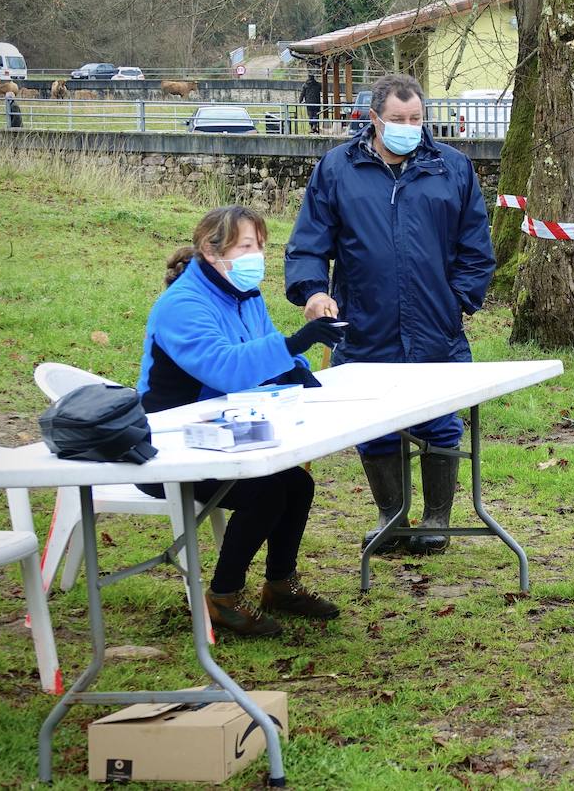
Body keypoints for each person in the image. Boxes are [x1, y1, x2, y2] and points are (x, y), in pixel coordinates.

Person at [285, 73, 495, 555]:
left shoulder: (452, 169)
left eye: (416, 118)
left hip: (435, 325)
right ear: (374, 118)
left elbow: (476, 248)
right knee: (372, 419)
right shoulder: (337, 169)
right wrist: (314, 293)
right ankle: (392, 516)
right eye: (398, 120)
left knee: (441, 418)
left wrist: (457, 300)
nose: (408, 126)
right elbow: (309, 243)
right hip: (364, 323)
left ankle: (437, 518)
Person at [136, 205, 347, 636]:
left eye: (261, 246)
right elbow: (225, 368)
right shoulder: (182, 305)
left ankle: (279, 584)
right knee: (266, 490)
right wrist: (295, 343)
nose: (258, 256)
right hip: (169, 447)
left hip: (222, 433)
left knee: (296, 483)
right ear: (212, 252)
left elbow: (267, 354)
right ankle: (223, 595)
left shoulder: (243, 295)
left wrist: (302, 376)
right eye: (247, 246)